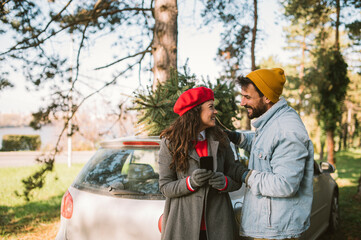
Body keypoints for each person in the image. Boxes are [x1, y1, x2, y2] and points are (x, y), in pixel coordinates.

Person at [226, 68, 314, 240]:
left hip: (277, 232)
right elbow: (265, 147)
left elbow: (285, 184)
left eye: (248, 97)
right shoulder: (273, 121)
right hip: (269, 228)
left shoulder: (287, 131)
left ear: (266, 97)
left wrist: (244, 174)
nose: (242, 103)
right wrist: (236, 137)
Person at [158, 86, 246, 240]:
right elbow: (165, 187)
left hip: (219, 226)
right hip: (182, 226)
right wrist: (190, 183)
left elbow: (236, 178)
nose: (215, 112)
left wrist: (225, 182)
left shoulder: (222, 139)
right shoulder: (170, 143)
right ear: (195, 112)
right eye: (211, 107)